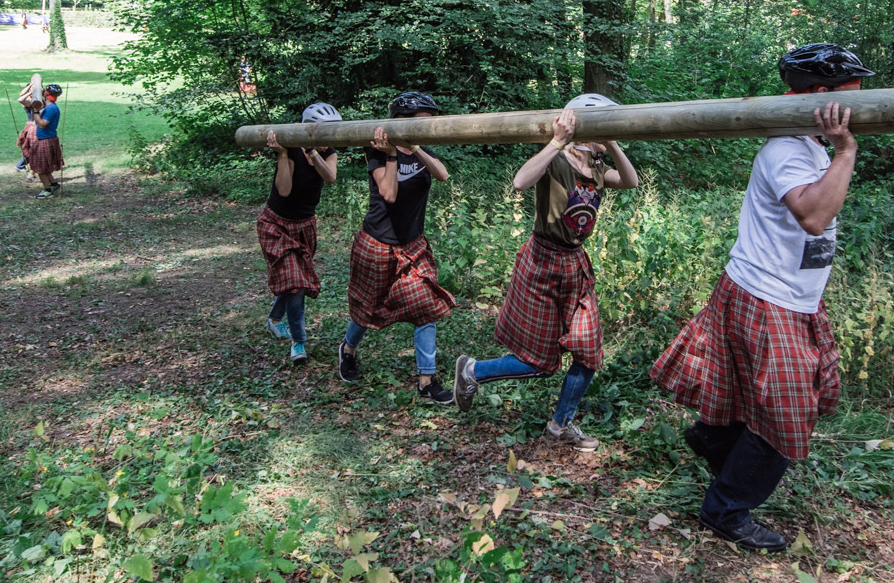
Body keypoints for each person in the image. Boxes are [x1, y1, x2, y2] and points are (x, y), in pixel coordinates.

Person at [649, 43, 874, 552]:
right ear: (821, 97)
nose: (860, 109)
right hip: (767, 297)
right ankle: (725, 509)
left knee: (749, 395)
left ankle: (714, 439)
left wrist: (835, 149)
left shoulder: (809, 144)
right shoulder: (788, 149)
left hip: (785, 298)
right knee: (789, 413)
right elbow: (814, 216)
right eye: (853, 99)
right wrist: (848, 151)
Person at [453, 94, 639, 451]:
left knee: (589, 354)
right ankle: (473, 370)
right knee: (539, 363)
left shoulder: (599, 169)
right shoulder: (557, 160)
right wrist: (557, 141)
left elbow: (630, 180)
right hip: (542, 262)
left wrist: (613, 141)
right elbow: (521, 182)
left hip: (575, 264)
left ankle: (561, 425)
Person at [338, 92, 455, 405]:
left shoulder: (419, 147)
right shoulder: (377, 148)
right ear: (401, 121)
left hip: (412, 244)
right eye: (421, 124)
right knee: (367, 309)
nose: (426, 129)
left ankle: (426, 380)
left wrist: (416, 147)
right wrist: (391, 154)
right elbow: (388, 194)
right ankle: (348, 350)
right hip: (377, 242)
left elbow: (442, 175)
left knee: (425, 308)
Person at [257, 102, 341, 363]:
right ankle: (299, 342)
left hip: (305, 225)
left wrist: (314, 152)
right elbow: (283, 190)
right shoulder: (291, 146)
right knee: (295, 283)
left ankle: (273, 319)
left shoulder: (327, 152)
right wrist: (283, 154)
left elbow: (330, 178)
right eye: (323, 133)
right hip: (276, 223)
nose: (329, 139)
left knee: (296, 278)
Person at [30, 83, 64, 199]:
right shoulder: (50, 107)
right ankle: (54, 184)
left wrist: (35, 112)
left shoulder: (51, 109)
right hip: (47, 139)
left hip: (45, 140)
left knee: (41, 168)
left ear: (45, 94)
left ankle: (47, 191)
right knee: (44, 166)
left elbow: (43, 124)